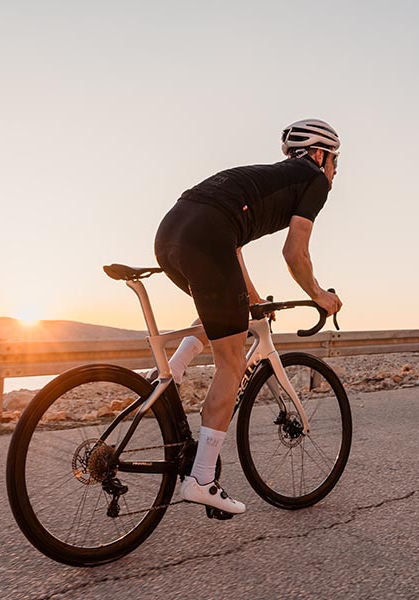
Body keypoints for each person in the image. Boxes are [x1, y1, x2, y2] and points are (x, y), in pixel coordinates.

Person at [153, 119, 343, 515]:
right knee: (232, 361)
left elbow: (232, 245)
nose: (336, 170)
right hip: (207, 237)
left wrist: (252, 298)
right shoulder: (314, 180)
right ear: (320, 154)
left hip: (172, 231)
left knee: (224, 315)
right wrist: (319, 295)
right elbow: (295, 253)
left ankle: (168, 374)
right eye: (336, 160)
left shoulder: (264, 179)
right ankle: (202, 479)